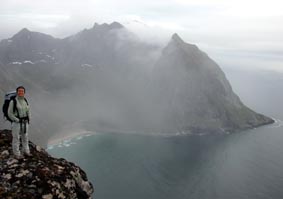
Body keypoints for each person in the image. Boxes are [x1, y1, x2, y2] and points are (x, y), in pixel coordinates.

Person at [8, 86, 31, 158]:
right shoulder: (13, 102)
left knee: (25, 137)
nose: (21, 92)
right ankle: (17, 154)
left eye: (22, 91)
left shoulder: (25, 100)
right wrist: (17, 120)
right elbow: (10, 113)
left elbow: (28, 110)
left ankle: (26, 151)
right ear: (17, 92)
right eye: (19, 91)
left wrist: (29, 118)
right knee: (16, 138)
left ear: (24, 92)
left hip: (25, 122)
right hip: (16, 123)